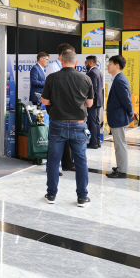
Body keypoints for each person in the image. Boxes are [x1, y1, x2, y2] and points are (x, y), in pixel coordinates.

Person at [42, 50, 94, 207]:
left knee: (53, 160)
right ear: (76, 62)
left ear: (61, 61)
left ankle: (51, 195)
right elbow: (90, 104)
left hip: (57, 123)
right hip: (79, 124)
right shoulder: (85, 78)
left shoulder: (52, 78)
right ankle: (82, 197)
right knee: (81, 161)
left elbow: (44, 101)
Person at [45, 44, 77, 173]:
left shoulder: (69, 67)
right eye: (69, 54)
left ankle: (67, 163)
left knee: (68, 139)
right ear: (62, 55)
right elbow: (50, 90)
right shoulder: (53, 67)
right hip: (57, 108)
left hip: (69, 109)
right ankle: (52, 166)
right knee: (55, 140)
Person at [106, 56, 138, 178]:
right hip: (117, 117)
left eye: (110, 63)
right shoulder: (118, 78)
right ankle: (120, 166)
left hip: (119, 118)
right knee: (119, 144)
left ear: (117, 65)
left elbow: (126, 99)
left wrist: (131, 112)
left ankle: (122, 171)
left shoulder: (119, 80)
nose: (108, 66)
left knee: (120, 145)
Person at [85, 56, 104, 149]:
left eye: (86, 62)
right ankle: (97, 141)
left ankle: (93, 143)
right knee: (96, 121)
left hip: (94, 101)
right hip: (98, 100)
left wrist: (90, 99)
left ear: (91, 63)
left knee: (92, 122)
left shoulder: (92, 72)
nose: (85, 64)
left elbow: (93, 88)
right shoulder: (98, 71)